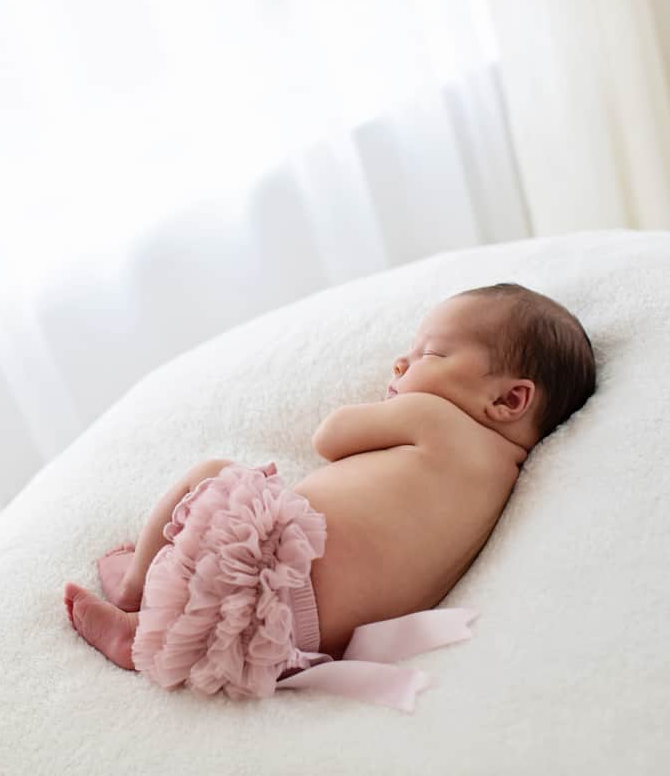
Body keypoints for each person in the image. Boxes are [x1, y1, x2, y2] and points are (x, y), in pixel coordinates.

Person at [63, 282, 597, 703]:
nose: (400, 364)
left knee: (212, 472)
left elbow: (330, 438)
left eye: (430, 353)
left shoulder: (435, 416)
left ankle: (136, 597)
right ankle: (158, 614)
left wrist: (384, 409)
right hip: (302, 641)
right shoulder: (502, 486)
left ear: (508, 399)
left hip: (270, 567)